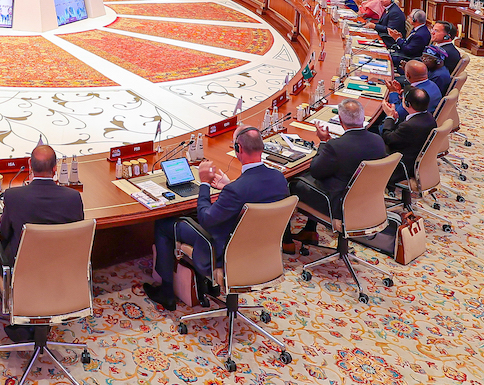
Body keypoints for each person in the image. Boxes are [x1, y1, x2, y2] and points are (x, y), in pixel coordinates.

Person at [141, 128, 288, 310]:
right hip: (261, 252)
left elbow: (206, 220)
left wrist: (203, 183)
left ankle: (166, 292)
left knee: (164, 224)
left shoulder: (236, 190)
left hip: (222, 251)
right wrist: (229, 186)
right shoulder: (279, 178)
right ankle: (205, 286)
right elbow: (255, 197)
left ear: (238, 148)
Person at [290, 99, 385, 244]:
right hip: (368, 202)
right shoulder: (378, 141)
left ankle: (286, 241)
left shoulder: (336, 147)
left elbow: (315, 170)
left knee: (294, 183)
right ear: (363, 117)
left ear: (340, 120)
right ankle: (309, 230)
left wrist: (323, 143)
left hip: (338, 205)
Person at [0, 144, 84, 263]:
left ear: (30, 165)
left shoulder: (13, 196)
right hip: (62, 264)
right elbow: (77, 235)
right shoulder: (73, 197)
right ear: (55, 168)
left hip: (24, 267)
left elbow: (4, 232)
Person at [381, 86, 437, 189]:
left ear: (407, 104)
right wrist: (395, 119)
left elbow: (388, 139)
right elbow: (404, 135)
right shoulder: (429, 118)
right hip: (413, 157)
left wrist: (389, 117)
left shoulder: (409, 126)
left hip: (400, 166)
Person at [384, 59, 442, 123]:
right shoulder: (433, 85)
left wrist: (393, 92)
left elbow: (396, 114)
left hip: (408, 126)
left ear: (407, 75)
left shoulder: (416, 94)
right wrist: (401, 94)